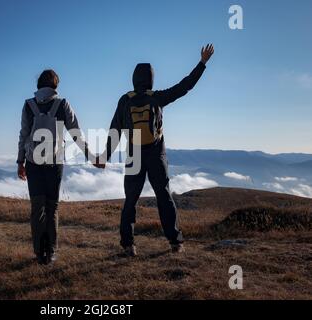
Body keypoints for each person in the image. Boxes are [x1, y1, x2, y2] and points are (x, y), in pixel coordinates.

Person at [102, 44, 215, 256]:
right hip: (156, 153)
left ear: (134, 79)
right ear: (151, 79)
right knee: (164, 196)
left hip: (134, 153)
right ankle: (175, 242)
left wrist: (105, 156)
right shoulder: (157, 97)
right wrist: (202, 63)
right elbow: (185, 87)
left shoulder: (125, 100)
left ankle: (128, 245)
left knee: (131, 199)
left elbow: (115, 129)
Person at [17, 69, 98, 265]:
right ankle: (51, 252)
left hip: (33, 163)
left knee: (37, 208)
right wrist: (91, 156)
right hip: (55, 163)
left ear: (39, 84)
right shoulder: (62, 104)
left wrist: (20, 162)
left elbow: (23, 135)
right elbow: (76, 134)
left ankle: (38, 252)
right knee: (52, 207)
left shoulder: (28, 105)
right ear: (56, 85)